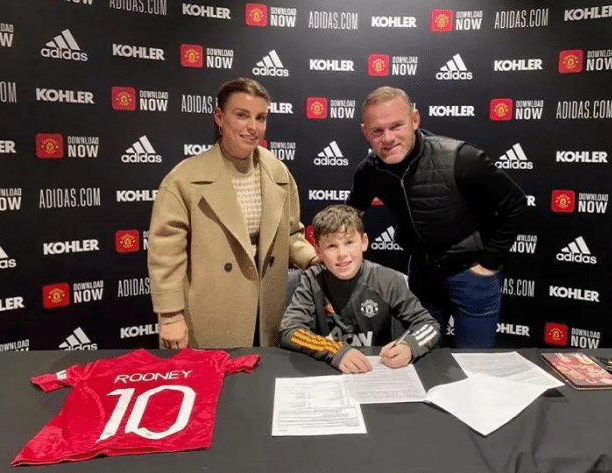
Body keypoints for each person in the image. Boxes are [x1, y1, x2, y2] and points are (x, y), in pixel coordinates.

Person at [347, 86, 526, 349]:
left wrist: (489, 262)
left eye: (396, 126)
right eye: (377, 131)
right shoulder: (368, 171)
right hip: (422, 277)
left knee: (474, 364)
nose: (388, 138)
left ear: (415, 119)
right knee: (423, 360)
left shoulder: (460, 157)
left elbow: (515, 203)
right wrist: (330, 247)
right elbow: (350, 214)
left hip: (471, 276)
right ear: (366, 133)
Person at [148, 77, 317, 349]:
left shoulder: (278, 173)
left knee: (264, 372)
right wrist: (170, 316)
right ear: (219, 117)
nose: (253, 127)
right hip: (211, 313)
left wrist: (313, 259)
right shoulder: (184, 179)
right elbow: (166, 254)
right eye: (241, 115)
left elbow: (291, 236)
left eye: (260, 118)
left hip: (268, 313)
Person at [280, 204, 440, 374]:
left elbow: (429, 325)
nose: (342, 254)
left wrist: (410, 346)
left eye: (349, 242)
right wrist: (335, 350)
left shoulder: (387, 279)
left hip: (376, 371)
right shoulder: (311, 280)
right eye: (331, 246)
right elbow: (290, 331)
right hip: (328, 371)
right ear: (318, 251)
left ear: (364, 242)